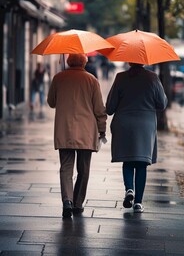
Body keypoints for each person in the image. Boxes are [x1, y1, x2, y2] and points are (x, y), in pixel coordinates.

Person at [47, 53, 107, 218]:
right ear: (84, 62)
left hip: (64, 129)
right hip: (86, 131)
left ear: (68, 61)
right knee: (84, 169)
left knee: (66, 168)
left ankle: (67, 201)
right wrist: (102, 129)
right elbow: (99, 109)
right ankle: (78, 203)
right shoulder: (92, 80)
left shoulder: (59, 78)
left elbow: (51, 102)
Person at [106, 63, 167, 213]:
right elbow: (162, 103)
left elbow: (110, 107)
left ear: (128, 61)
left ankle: (129, 189)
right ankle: (138, 202)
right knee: (141, 163)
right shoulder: (152, 78)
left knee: (128, 160)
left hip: (124, 125)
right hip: (145, 126)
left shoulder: (121, 77)